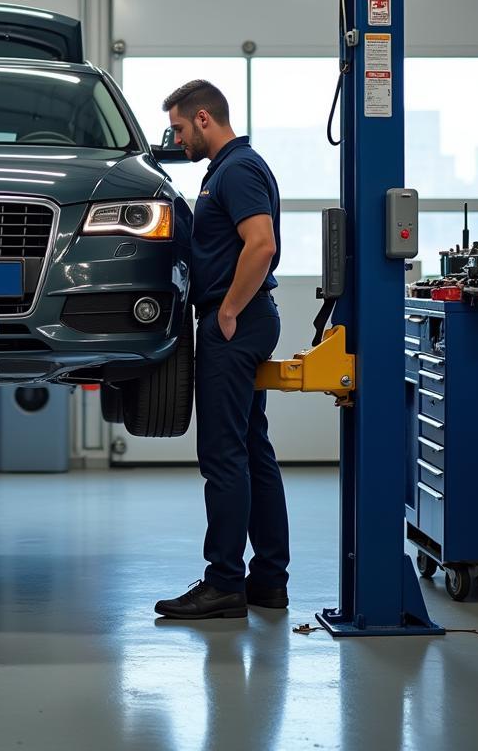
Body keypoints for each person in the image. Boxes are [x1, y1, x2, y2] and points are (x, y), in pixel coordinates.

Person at [154, 80, 289, 621]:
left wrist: (228, 311)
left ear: (205, 118)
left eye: (181, 128)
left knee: (223, 455)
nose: (177, 138)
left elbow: (262, 244)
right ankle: (268, 582)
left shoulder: (237, 170)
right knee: (252, 450)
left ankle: (225, 583)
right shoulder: (225, 171)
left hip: (235, 323)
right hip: (244, 320)